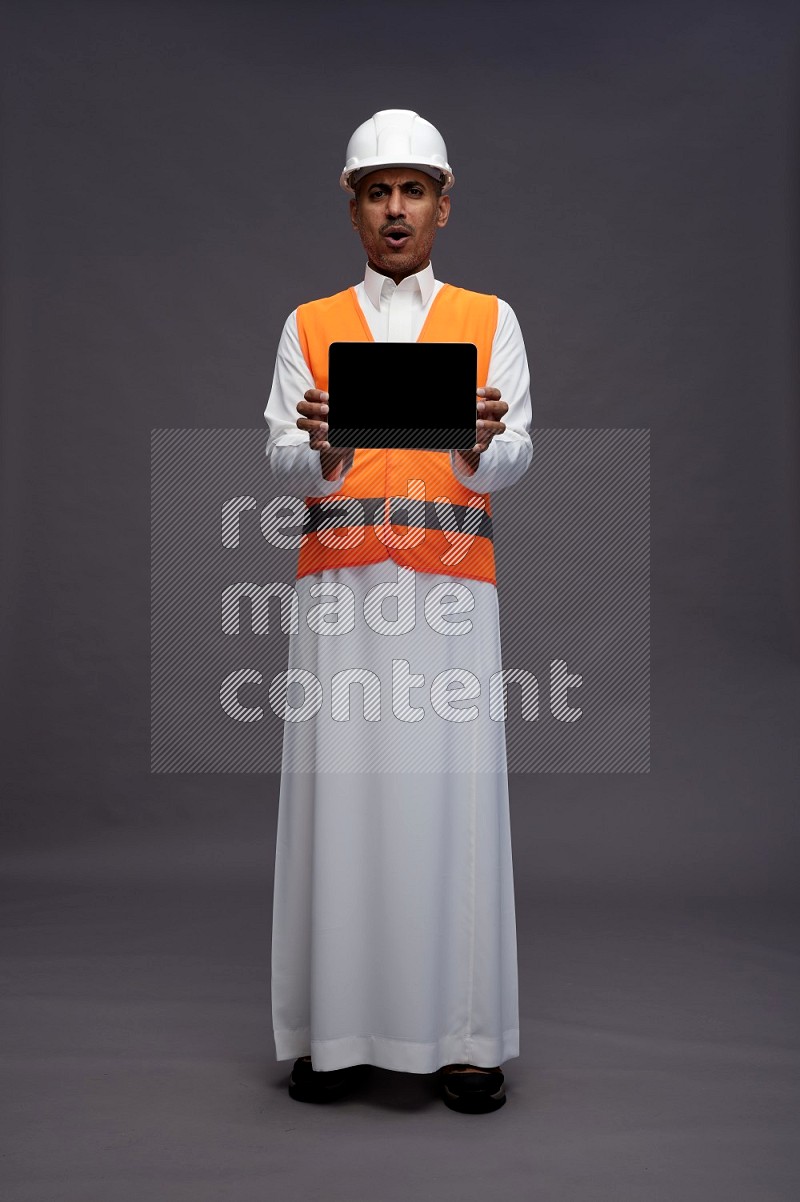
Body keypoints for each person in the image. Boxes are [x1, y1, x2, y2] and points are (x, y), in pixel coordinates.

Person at [263, 109, 532, 1114]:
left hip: (451, 596)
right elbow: (281, 454)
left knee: (450, 805)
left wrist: (475, 439)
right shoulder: (307, 324)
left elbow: (513, 454)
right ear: (352, 208)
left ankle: (462, 1039)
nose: (393, 208)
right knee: (341, 802)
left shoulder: (488, 318)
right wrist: (321, 449)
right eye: (376, 191)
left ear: (441, 206)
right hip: (339, 596)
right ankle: (335, 1035)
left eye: (411, 190)